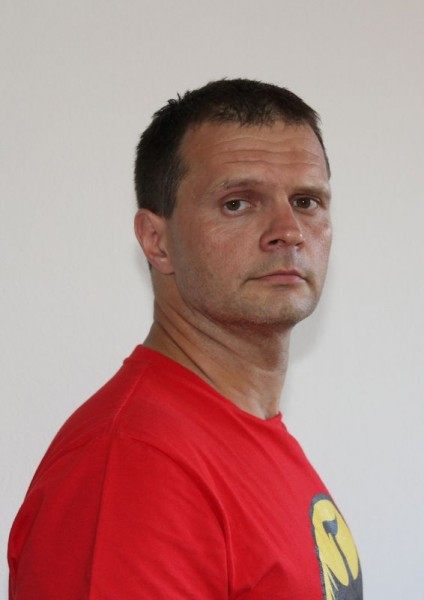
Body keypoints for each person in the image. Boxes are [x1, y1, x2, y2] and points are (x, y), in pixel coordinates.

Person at [8, 79, 363, 599]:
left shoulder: (240, 433)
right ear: (157, 241)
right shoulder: (135, 463)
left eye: (306, 201)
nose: (288, 230)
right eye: (238, 204)